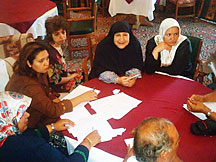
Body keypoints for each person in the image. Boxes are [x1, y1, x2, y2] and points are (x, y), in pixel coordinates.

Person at [5, 42, 97, 128]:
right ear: (29, 63)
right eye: (41, 61)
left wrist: (52, 97)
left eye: (47, 58)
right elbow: (52, 111)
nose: (46, 63)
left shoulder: (37, 70)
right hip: (30, 122)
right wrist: (81, 98)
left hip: (40, 108)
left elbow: (46, 89)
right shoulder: (28, 86)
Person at [0, 91, 101, 162]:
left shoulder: (6, 135)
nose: (28, 115)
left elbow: (29, 134)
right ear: (10, 118)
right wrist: (87, 143)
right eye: (21, 113)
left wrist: (51, 127)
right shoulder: (30, 147)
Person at [88, 21, 144, 88]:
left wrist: (132, 77)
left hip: (128, 82)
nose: (121, 39)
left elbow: (138, 65)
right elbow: (99, 71)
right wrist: (118, 80)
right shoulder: (103, 47)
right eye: (118, 35)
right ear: (112, 36)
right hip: (106, 83)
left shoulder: (134, 45)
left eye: (125, 35)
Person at [45, 15, 83, 93]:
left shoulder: (57, 46)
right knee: (83, 81)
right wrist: (71, 77)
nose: (62, 36)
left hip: (63, 76)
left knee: (84, 75)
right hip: (57, 87)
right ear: (50, 35)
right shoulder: (51, 54)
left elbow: (61, 69)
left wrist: (68, 74)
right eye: (57, 34)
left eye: (63, 32)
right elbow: (56, 81)